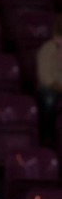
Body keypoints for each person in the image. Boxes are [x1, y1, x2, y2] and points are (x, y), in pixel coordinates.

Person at [35, 14, 62, 142]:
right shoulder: (48, 48)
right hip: (52, 89)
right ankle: (47, 138)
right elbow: (45, 76)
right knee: (49, 99)